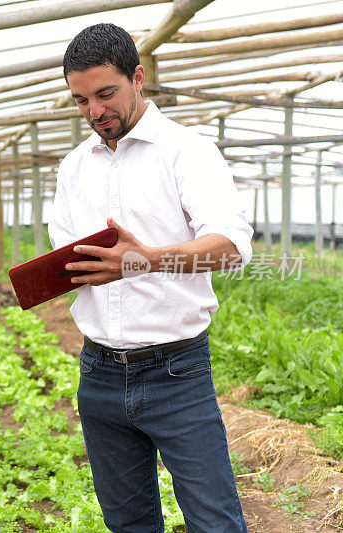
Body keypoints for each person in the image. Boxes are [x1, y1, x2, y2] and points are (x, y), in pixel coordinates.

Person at [49, 24, 252, 532]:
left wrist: (144, 260)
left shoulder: (187, 151)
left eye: (105, 93)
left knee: (215, 522)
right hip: (98, 373)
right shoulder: (74, 168)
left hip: (176, 372)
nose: (94, 112)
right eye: (80, 100)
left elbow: (230, 249)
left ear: (138, 77)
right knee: (129, 523)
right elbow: (70, 255)